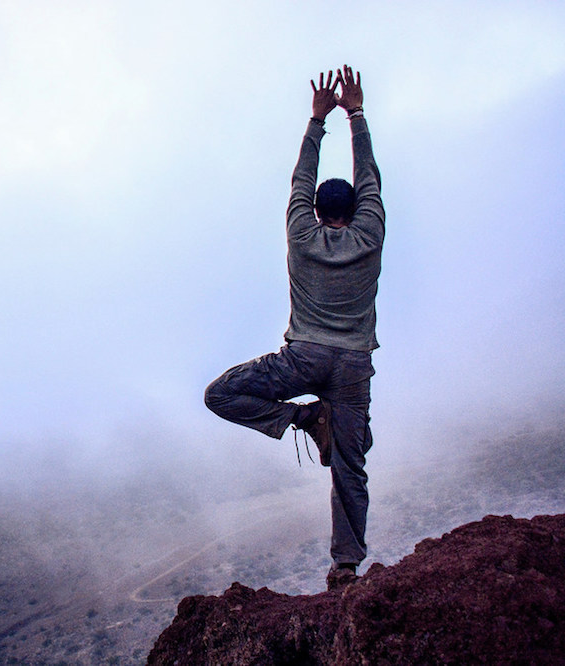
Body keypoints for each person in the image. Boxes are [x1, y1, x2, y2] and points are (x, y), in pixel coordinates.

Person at [203, 65, 384, 590]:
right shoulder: (369, 232)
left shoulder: (300, 233)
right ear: (354, 211)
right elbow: (369, 177)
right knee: (350, 466)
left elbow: (299, 182)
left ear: (315, 212)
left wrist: (316, 120)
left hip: (303, 357)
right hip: (352, 367)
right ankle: (345, 568)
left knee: (221, 394)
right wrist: (357, 114)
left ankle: (304, 419)